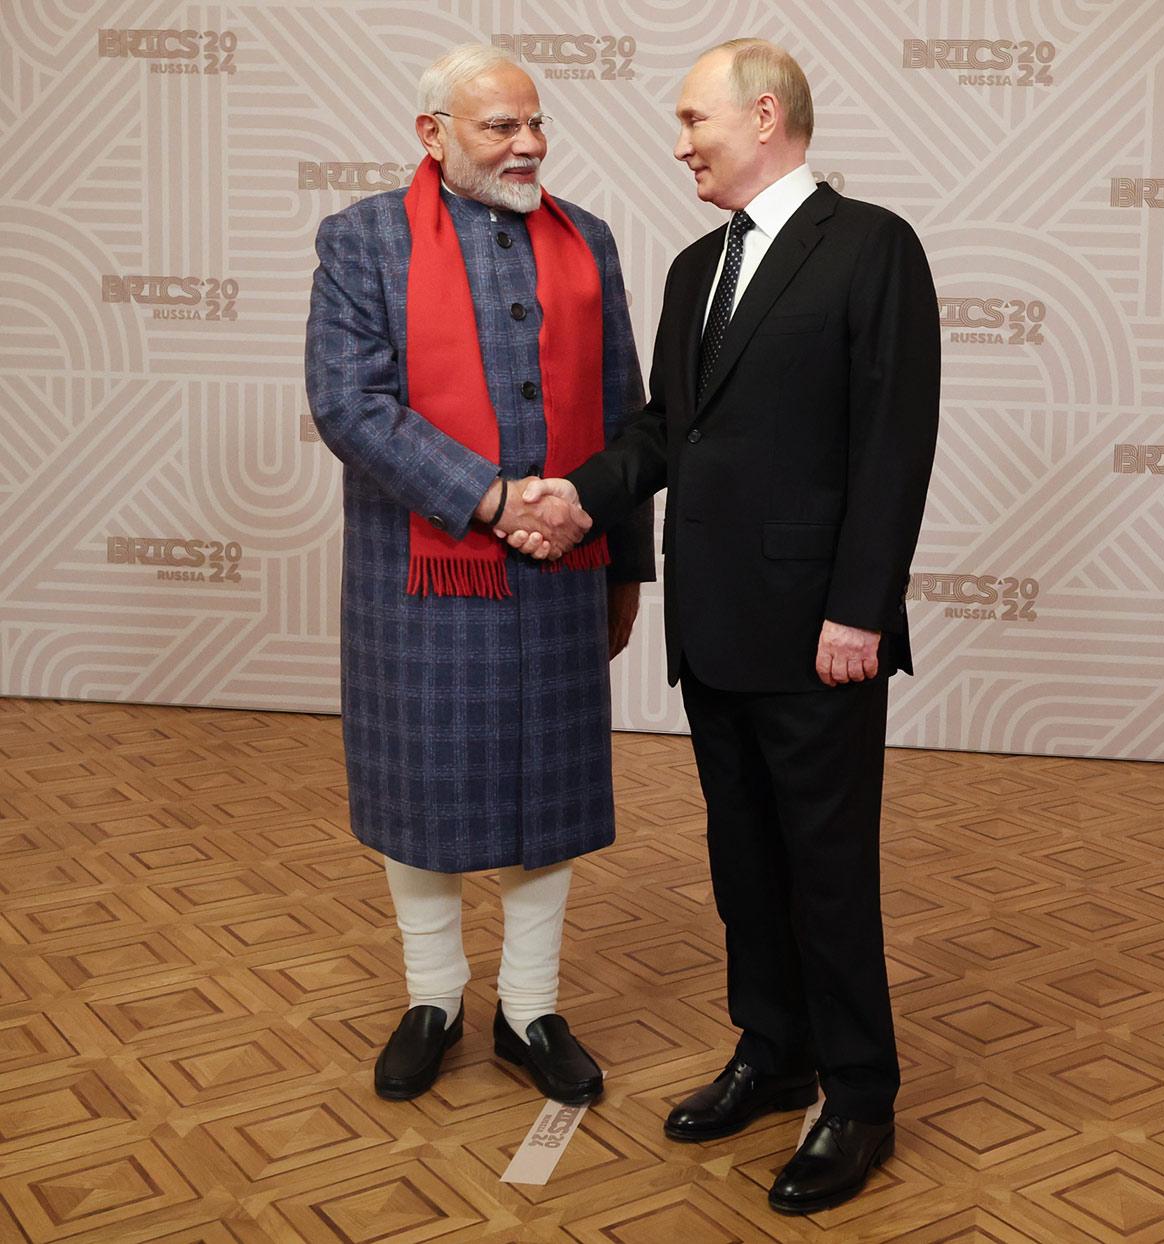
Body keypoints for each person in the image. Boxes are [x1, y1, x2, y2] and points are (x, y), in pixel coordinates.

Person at [507, 39, 939, 1213]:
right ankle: (773, 1049)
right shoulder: (698, 268)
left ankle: (858, 1094)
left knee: (829, 872)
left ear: (764, 114)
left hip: (818, 632)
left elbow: (894, 444)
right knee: (744, 863)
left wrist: (860, 607)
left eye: (696, 118)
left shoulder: (873, 248)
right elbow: (663, 431)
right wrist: (577, 493)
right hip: (715, 629)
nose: (682, 140)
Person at [304, 43, 653, 1107]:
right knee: (424, 788)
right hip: (421, 573)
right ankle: (434, 996)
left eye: (535, 122)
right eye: (500, 125)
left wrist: (624, 562)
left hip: (564, 569)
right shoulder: (361, 238)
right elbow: (349, 405)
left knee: (547, 791)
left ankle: (531, 1008)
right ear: (434, 134)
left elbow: (627, 412)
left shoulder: (586, 240)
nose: (529, 142)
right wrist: (495, 497)